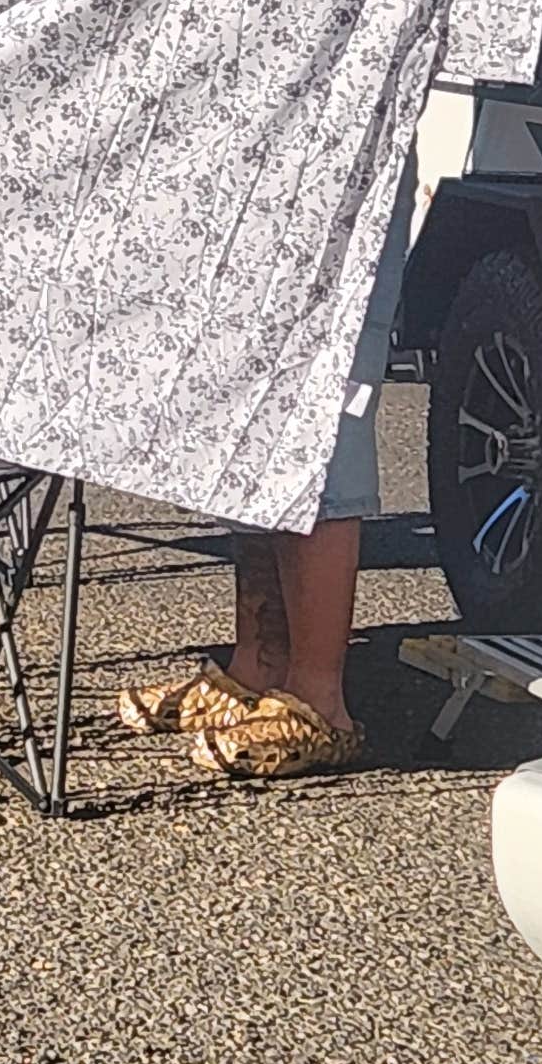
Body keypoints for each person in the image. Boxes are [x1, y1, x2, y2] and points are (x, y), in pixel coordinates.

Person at [116, 164, 412, 779]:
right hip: (264, 176)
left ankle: (319, 700)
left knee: (320, 419)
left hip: (346, 165)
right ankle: (258, 666)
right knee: (250, 419)